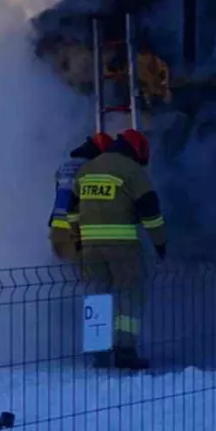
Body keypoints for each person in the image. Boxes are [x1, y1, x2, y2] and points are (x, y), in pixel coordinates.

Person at [75, 127, 167, 369]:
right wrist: (160, 242)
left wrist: (77, 241)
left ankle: (99, 350)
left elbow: (72, 209)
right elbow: (150, 211)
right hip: (122, 246)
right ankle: (125, 350)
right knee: (129, 294)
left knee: (98, 294)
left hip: (90, 247)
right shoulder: (132, 171)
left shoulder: (87, 169)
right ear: (137, 151)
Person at [48, 131, 111, 261]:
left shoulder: (64, 166)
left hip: (56, 228)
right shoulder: (91, 168)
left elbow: (59, 195)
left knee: (64, 273)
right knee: (84, 273)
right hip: (75, 231)